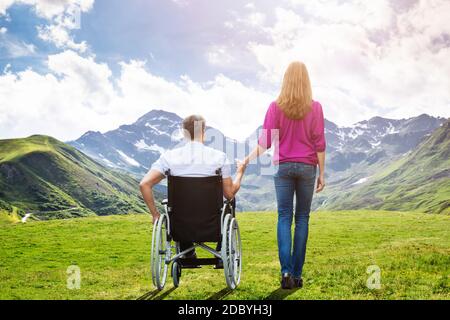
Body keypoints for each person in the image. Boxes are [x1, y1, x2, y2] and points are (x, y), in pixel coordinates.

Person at [241, 61, 326, 290]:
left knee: (284, 217)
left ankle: (286, 271)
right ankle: (297, 275)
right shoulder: (315, 108)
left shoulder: (275, 107)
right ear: (306, 81)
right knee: (302, 219)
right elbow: (319, 143)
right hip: (308, 167)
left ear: (285, 81)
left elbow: (265, 142)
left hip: (282, 167)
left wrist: (247, 159)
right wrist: (322, 173)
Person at [139, 115, 245, 265]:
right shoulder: (219, 157)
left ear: (184, 133)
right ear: (204, 131)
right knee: (230, 202)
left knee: (177, 208)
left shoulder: (169, 157)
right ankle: (222, 249)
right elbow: (229, 194)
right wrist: (240, 172)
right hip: (212, 223)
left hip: (181, 224)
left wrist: (155, 215)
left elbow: (144, 184)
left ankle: (186, 249)